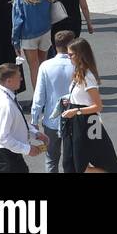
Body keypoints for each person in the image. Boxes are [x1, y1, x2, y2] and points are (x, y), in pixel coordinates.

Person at [61, 37, 117, 172]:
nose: (68, 57)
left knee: (83, 164)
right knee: (74, 163)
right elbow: (82, 98)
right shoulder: (78, 73)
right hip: (79, 123)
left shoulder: (87, 76)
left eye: (71, 54)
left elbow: (98, 106)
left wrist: (75, 111)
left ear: (80, 55)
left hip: (89, 123)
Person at [31, 30, 75, 173]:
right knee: (72, 159)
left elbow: (39, 96)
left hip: (52, 120)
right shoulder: (78, 65)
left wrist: (34, 120)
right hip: (74, 119)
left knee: (51, 159)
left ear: (54, 45)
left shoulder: (45, 66)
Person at [0, 63, 46, 172]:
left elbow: (17, 121)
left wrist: (35, 133)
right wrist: (27, 149)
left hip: (10, 152)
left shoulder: (4, 95)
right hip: (5, 155)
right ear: (9, 81)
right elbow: (3, 138)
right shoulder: (5, 104)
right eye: (18, 77)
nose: (22, 79)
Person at [11, 0, 53, 89]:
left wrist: (15, 41)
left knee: (33, 67)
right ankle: (46, 94)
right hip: (45, 31)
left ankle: (37, 98)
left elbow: (17, 21)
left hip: (28, 35)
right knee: (43, 64)